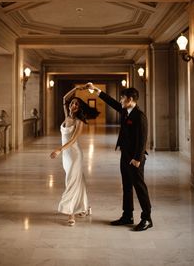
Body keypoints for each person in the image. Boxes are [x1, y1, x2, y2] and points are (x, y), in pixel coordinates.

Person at [86, 82, 152, 231]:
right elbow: (112, 103)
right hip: (125, 155)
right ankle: (127, 215)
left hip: (135, 158)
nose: (120, 100)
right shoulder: (125, 111)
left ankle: (147, 218)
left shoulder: (139, 116)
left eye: (122, 98)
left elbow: (143, 139)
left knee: (140, 187)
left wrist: (137, 158)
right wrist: (96, 91)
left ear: (130, 99)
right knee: (127, 187)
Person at [50, 85, 99, 226]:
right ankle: (84, 207)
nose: (74, 104)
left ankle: (71, 213)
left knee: (71, 182)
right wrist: (78, 88)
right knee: (78, 181)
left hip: (75, 154)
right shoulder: (66, 116)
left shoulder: (79, 121)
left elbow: (72, 140)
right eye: (73, 103)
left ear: (80, 108)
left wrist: (59, 149)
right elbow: (64, 98)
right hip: (66, 156)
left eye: (77, 104)